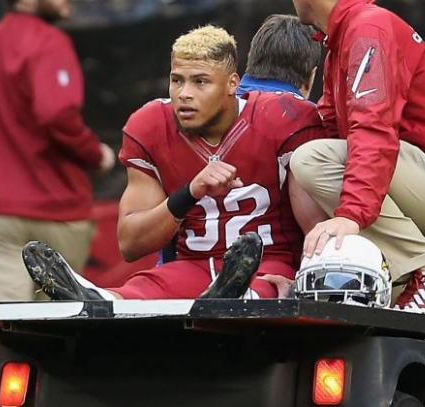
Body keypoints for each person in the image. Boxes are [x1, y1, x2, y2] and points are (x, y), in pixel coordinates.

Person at [23, 23, 326, 301]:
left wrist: (303, 278)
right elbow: (130, 243)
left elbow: (316, 226)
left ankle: (235, 297)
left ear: (233, 83)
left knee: (257, 291)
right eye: (177, 80)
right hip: (191, 265)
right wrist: (189, 193)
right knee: (135, 293)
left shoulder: (285, 118)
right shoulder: (153, 124)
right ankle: (97, 298)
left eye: (200, 82)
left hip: (267, 264)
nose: (185, 94)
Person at [288, 0, 425, 316]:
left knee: (313, 160)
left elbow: (373, 130)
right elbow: (337, 131)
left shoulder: (367, 28)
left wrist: (351, 214)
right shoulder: (342, 37)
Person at [0, 0, 115, 302]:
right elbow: (56, 114)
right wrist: (95, 154)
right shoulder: (50, 41)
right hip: (58, 209)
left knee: (1, 321)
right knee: (56, 324)